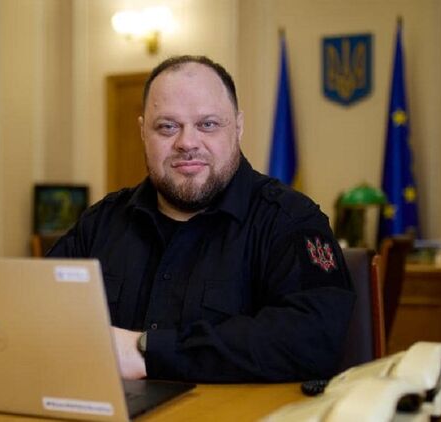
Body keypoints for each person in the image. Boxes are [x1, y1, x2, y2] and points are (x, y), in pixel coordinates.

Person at [48, 55, 355, 383]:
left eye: (207, 124)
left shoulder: (290, 220)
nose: (187, 143)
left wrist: (147, 353)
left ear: (238, 127)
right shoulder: (101, 222)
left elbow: (313, 339)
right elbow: (37, 314)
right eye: (167, 127)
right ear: (142, 132)